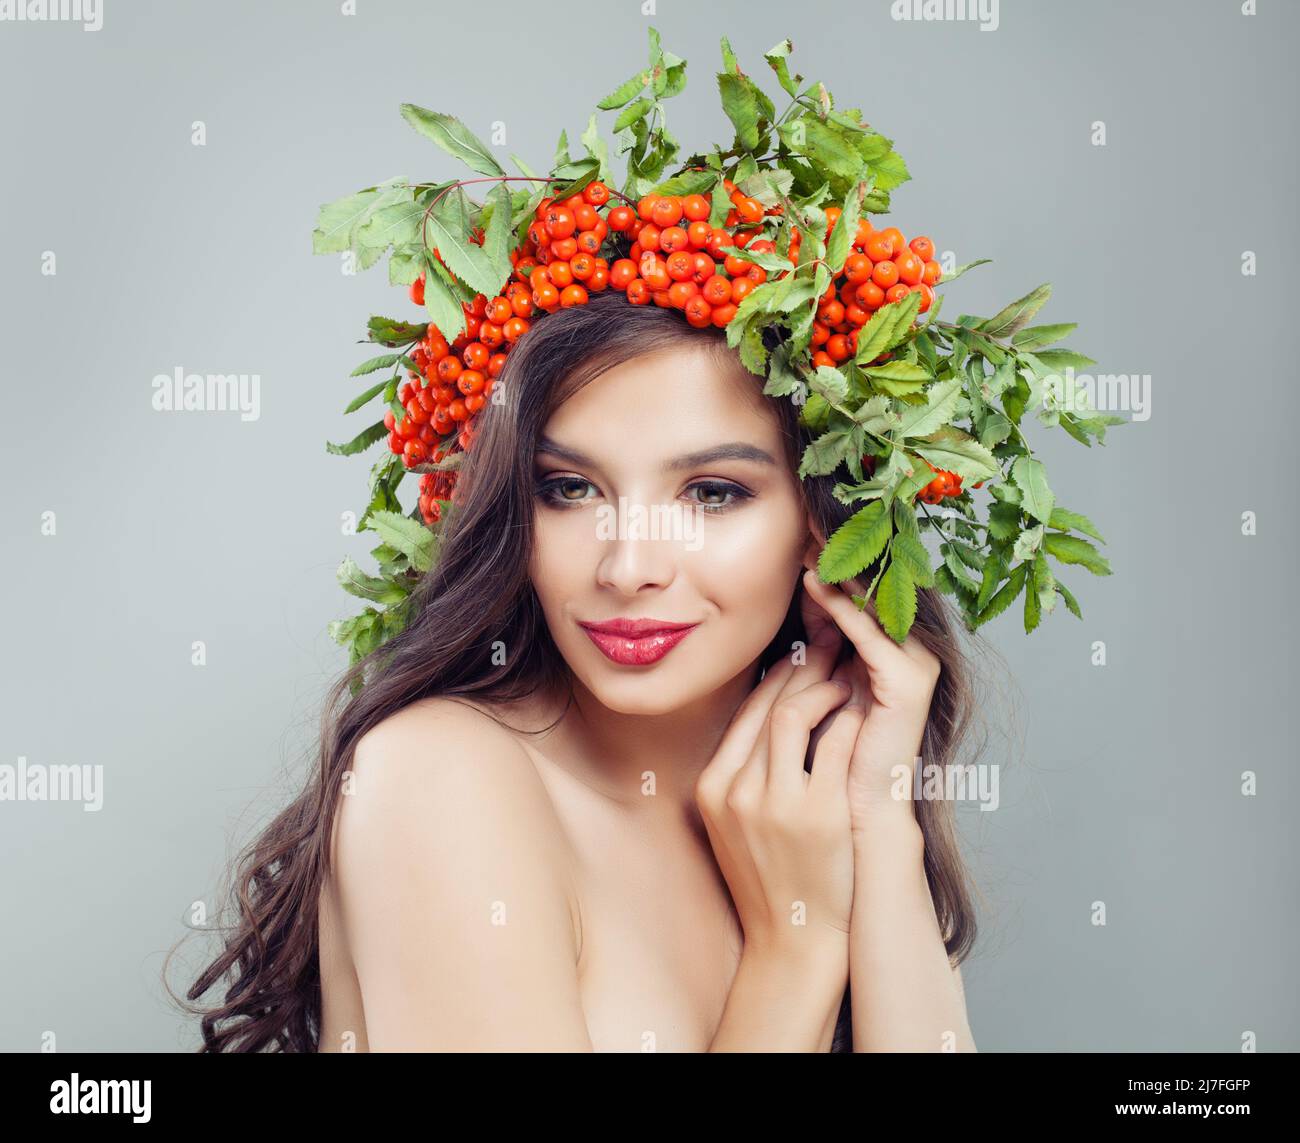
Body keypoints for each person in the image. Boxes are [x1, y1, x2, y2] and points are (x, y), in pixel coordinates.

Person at [175, 288, 986, 1052]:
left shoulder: (809, 804)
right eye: (569, 488)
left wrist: (878, 821)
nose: (627, 566)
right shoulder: (440, 776)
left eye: (711, 493)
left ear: (824, 527)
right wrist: (797, 949)